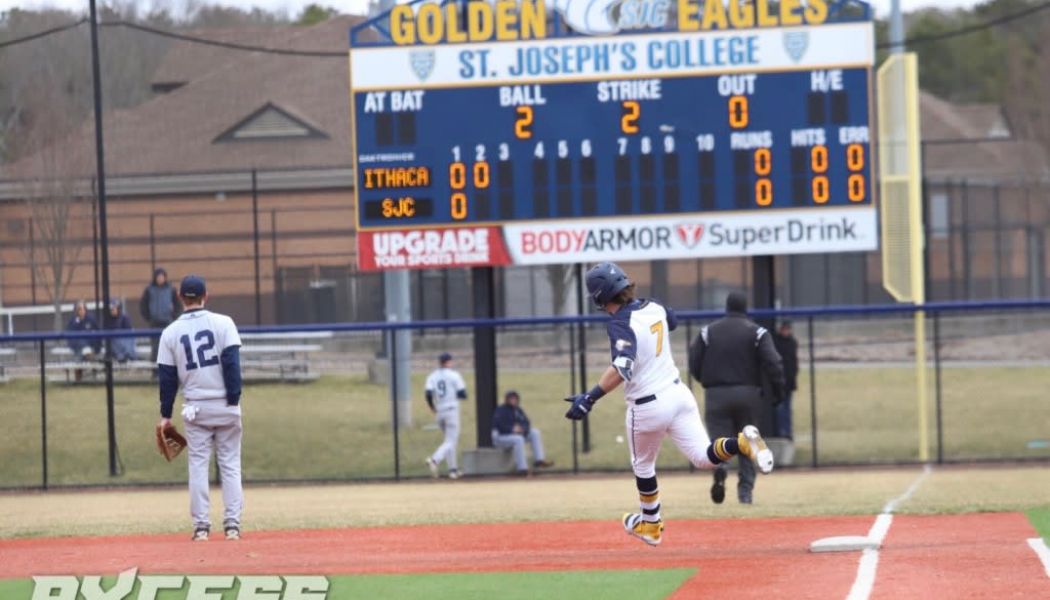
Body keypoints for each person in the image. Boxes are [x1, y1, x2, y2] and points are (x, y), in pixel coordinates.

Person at [565, 263, 774, 546]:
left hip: (648, 405)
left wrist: (589, 398)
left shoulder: (619, 323)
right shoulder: (653, 305)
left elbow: (622, 368)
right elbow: (671, 322)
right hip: (678, 394)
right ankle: (742, 443)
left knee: (643, 466)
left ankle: (651, 525)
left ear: (601, 298)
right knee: (703, 458)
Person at [157, 275, 244, 541]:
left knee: (198, 465)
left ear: (181, 298)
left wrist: (165, 415)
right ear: (206, 295)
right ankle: (232, 525)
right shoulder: (224, 323)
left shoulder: (170, 332)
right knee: (229, 464)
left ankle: (202, 527)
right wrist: (233, 399)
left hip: (196, 409)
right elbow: (231, 363)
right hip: (225, 404)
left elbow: (167, 378)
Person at [689, 292, 785, 506]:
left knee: (719, 441)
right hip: (748, 393)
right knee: (749, 442)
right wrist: (778, 391)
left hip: (716, 394)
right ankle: (745, 493)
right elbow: (774, 362)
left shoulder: (707, 332)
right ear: (745, 308)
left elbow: (694, 361)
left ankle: (720, 467)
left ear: (726, 307)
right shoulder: (757, 332)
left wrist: (706, 380)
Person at [424, 352, 466, 480]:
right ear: (449, 362)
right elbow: (462, 393)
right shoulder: (454, 375)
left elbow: (428, 393)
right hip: (451, 410)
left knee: (449, 441)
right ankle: (434, 460)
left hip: (439, 411)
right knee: (450, 441)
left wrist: (432, 407)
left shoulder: (433, 376)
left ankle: (453, 470)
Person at [492, 390, 553, 475]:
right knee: (518, 439)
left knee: (534, 432)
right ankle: (522, 469)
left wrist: (523, 429)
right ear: (506, 399)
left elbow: (526, 422)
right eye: (511, 398)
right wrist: (512, 429)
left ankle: (539, 460)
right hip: (501, 437)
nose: (513, 400)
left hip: (514, 436)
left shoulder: (518, 410)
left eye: (515, 398)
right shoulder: (501, 410)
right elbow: (498, 426)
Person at [141, 268, 179, 365]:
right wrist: (148, 317)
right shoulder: (149, 290)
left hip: (167, 322)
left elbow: (178, 304)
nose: (160, 279)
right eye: (158, 277)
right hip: (154, 322)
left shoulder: (171, 289)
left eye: (162, 277)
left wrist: (174, 316)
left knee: (169, 345)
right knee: (155, 346)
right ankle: (154, 370)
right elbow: (143, 304)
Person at [772, 320, 799, 440]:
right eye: (784, 329)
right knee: (780, 407)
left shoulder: (792, 343)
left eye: (788, 329)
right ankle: (780, 431)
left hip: (788, 381)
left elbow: (793, 362)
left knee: (787, 407)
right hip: (779, 381)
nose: (786, 331)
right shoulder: (776, 342)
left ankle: (787, 431)